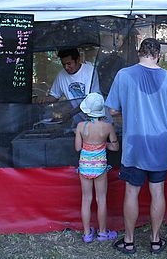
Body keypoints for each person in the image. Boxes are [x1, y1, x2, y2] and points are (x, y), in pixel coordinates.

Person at [105, 38, 167, 255]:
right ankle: (155, 240)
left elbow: (112, 110)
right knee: (157, 190)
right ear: (158, 55)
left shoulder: (124, 75)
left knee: (131, 192)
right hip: (161, 142)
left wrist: (130, 110)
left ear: (139, 53)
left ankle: (129, 241)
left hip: (135, 143)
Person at [75, 92, 119, 243]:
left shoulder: (81, 126)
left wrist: (88, 145)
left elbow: (77, 148)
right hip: (100, 166)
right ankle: (102, 233)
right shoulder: (107, 127)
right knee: (101, 199)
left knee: (86, 199)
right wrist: (102, 144)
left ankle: (87, 234)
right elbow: (115, 147)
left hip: (84, 166)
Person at [36, 48, 101, 123]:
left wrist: (70, 114)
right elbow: (54, 96)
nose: (66, 67)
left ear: (78, 60)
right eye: (63, 64)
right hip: (80, 122)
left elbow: (90, 100)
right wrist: (43, 100)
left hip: (97, 120)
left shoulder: (90, 71)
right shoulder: (61, 75)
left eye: (69, 64)